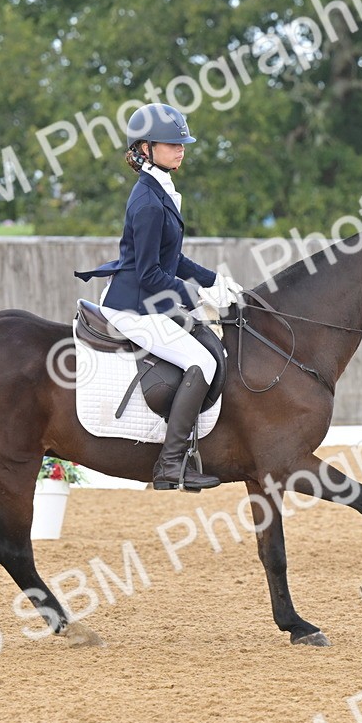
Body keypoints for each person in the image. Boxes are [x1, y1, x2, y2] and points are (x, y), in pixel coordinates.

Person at [75, 103, 243, 491]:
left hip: (147, 298)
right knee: (200, 362)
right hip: (132, 307)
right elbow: (150, 273)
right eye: (171, 144)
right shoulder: (148, 201)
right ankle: (171, 465)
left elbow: (173, 257)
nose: (181, 149)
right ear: (144, 149)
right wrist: (194, 295)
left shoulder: (161, 190)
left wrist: (213, 279)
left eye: (182, 143)